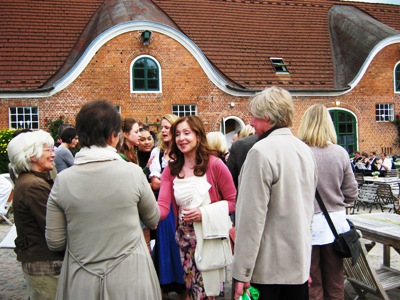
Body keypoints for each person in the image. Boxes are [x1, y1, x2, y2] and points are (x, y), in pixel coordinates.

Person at [45, 100, 161, 299]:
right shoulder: (133, 173)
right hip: (131, 278)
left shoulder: (63, 181)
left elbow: (55, 242)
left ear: (80, 137)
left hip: (81, 279)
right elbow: (153, 219)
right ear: (113, 136)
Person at [232, 86, 317, 300]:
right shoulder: (304, 150)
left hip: (267, 269)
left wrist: (242, 272)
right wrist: (305, 263)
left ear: (267, 117)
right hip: (297, 266)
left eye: (254, 117)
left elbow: (251, 219)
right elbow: (308, 212)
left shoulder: (260, 152)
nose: (250, 122)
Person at [158, 115, 236, 300]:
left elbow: (233, 201)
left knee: (207, 292)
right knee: (190, 290)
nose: (181, 138)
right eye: (177, 134)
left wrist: (204, 213)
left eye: (187, 133)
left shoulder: (215, 165)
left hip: (210, 236)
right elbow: (162, 206)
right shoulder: (170, 170)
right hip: (184, 239)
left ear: (198, 136)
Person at [298, 104, 358, 300]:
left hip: (307, 223)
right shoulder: (340, 153)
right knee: (335, 279)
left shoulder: (299, 153)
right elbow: (351, 192)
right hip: (335, 224)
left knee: (312, 280)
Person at [7, 130, 64, 300]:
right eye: (48, 150)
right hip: (45, 264)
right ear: (32, 156)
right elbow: (54, 226)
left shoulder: (32, 180)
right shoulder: (33, 185)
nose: (53, 154)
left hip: (43, 261)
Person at [149, 114, 186, 298]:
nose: (163, 130)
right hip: (163, 204)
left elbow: (159, 182)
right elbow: (155, 182)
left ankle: (182, 284)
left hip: (178, 203)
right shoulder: (157, 152)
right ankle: (164, 283)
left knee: (179, 242)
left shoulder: (182, 153)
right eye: (161, 127)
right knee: (165, 244)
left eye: (166, 127)